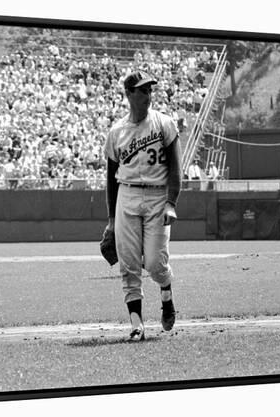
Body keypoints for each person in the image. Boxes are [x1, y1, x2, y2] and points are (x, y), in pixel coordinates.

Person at [104, 70, 182, 342]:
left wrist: (171, 202)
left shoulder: (164, 124)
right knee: (128, 264)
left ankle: (166, 293)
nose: (148, 95)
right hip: (126, 195)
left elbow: (175, 168)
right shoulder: (116, 132)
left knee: (154, 264)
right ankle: (136, 324)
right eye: (142, 90)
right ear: (128, 94)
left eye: (150, 90)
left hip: (158, 196)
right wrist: (112, 220)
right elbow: (110, 179)